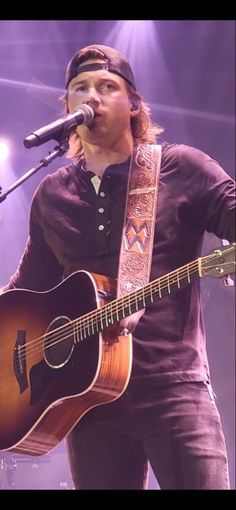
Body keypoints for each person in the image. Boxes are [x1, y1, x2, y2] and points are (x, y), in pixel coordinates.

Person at [0, 44, 235, 490]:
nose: (93, 97)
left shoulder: (181, 168)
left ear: (133, 105)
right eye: (80, 89)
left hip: (174, 389)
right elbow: (27, 289)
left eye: (107, 87)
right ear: (67, 107)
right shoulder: (52, 194)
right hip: (89, 403)